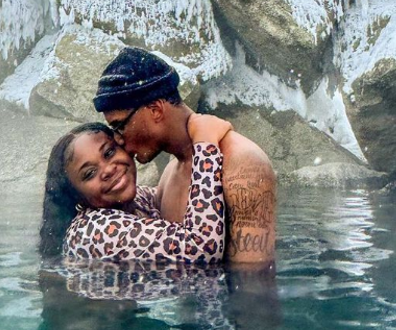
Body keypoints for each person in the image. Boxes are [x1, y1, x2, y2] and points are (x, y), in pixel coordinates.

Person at [94, 47, 277, 266]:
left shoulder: (242, 162)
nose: (119, 140)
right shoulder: (171, 171)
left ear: (155, 110)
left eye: (119, 126)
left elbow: (253, 282)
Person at [38, 114, 233, 262]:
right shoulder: (94, 229)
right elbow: (203, 249)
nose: (108, 170)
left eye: (109, 152)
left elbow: (185, 203)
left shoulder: (136, 200)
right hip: (109, 316)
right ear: (77, 198)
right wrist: (205, 145)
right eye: (89, 173)